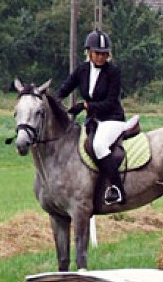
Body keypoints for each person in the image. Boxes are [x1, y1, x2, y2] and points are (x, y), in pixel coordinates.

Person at [56, 29, 138, 205]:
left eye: (104, 54)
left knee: (99, 145)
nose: (101, 57)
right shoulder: (82, 70)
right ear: (89, 52)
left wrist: (85, 105)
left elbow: (110, 101)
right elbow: (65, 88)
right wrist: (51, 102)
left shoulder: (113, 72)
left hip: (112, 119)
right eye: (97, 53)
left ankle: (117, 189)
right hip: (93, 121)